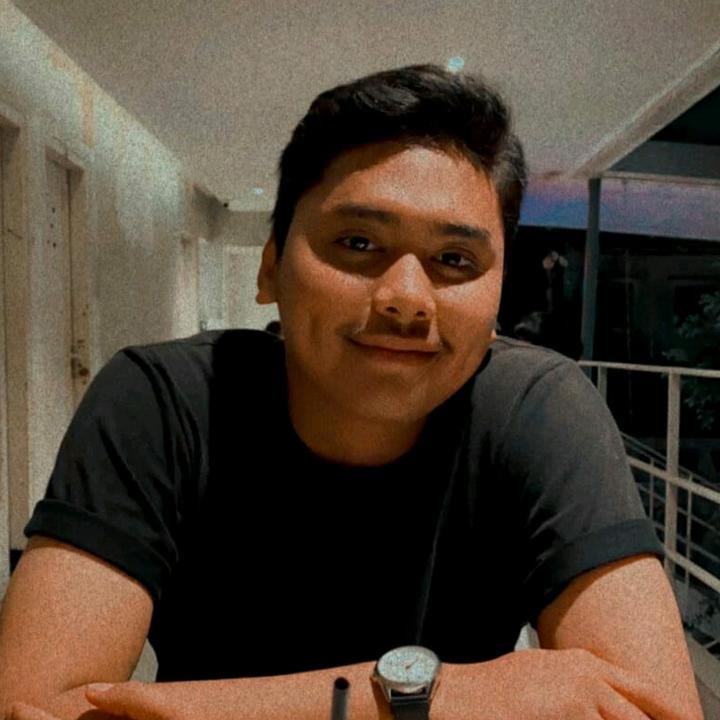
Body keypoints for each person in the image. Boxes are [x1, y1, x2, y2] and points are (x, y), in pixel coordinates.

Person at [0, 65, 702, 720]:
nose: (407, 297)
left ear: (496, 298)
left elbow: (659, 710)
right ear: (271, 267)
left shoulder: (537, 410)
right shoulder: (164, 403)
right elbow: (29, 708)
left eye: (454, 259)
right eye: (358, 244)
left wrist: (197, 711)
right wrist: (443, 697)